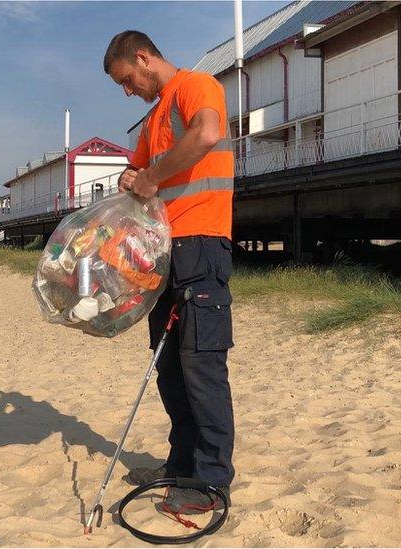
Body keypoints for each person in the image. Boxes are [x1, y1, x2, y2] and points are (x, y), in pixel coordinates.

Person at [103, 30, 236, 511]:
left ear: (143, 58)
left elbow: (206, 134)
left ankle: (210, 480)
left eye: (126, 80)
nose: (127, 90)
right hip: (163, 252)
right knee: (170, 368)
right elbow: (136, 174)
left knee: (202, 367)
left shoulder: (196, 86)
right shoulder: (154, 117)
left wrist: (151, 177)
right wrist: (129, 176)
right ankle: (182, 463)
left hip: (201, 244)